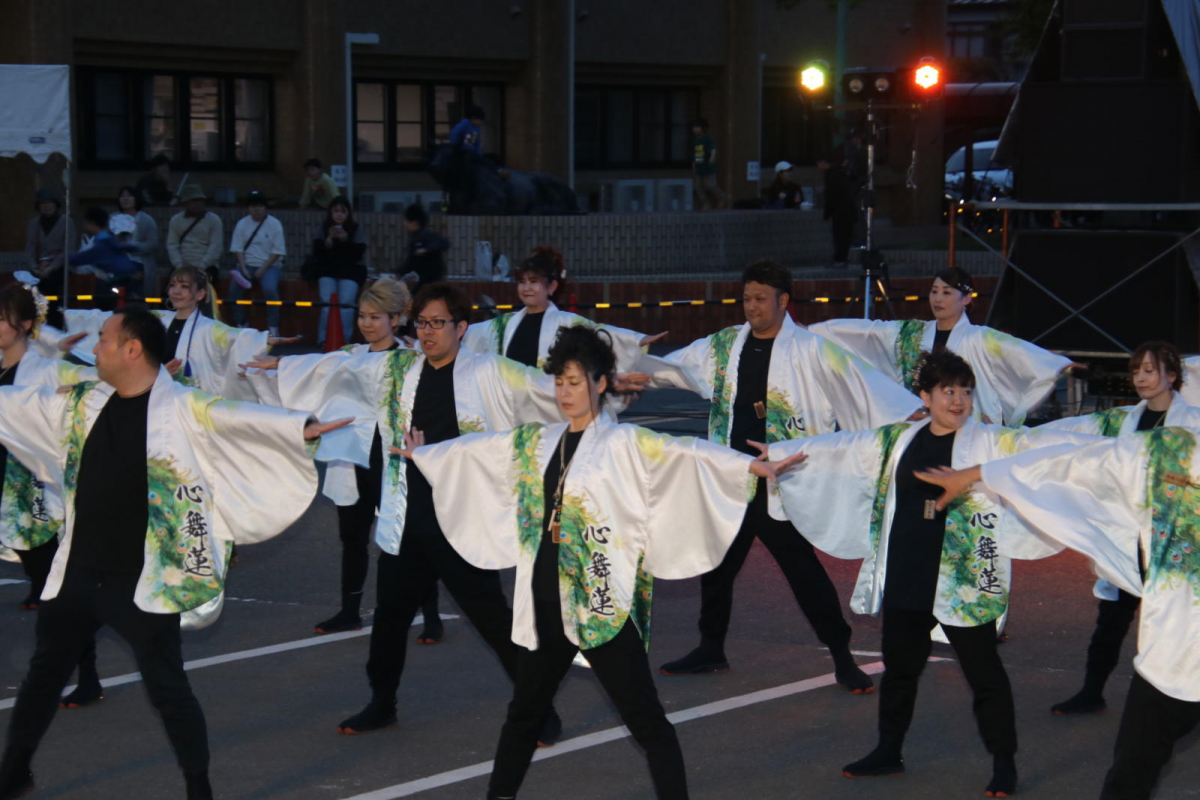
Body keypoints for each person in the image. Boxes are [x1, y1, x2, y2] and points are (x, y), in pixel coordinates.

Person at [402, 325, 805, 800]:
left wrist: (751, 466)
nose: (566, 392)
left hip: (599, 603)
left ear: (599, 384)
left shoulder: (624, 445)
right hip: (544, 603)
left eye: (576, 381)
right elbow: (480, 451)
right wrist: (426, 454)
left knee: (646, 719)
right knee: (523, 714)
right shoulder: (537, 441)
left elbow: (685, 453)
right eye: (560, 382)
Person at [238, 284, 648, 741]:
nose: (428, 332)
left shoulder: (487, 371)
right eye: (422, 323)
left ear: (461, 328)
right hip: (408, 520)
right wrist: (283, 367)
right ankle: (382, 702)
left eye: (438, 323)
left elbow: (541, 388)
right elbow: (344, 367)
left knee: (495, 623)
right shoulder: (397, 369)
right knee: (389, 621)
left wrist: (599, 390)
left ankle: (538, 710)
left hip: (462, 523)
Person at [0, 305, 347, 800]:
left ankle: (199, 788)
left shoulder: (184, 408)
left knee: (168, 688)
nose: (95, 347)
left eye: (104, 339)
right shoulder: (81, 403)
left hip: (143, 579)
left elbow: (237, 420)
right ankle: (13, 772)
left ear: (132, 349)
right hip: (78, 571)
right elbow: (17, 406)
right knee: (41, 677)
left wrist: (296, 429)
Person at [767, 349, 1097, 797]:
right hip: (907, 575)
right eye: (948, 391)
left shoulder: (989, 441)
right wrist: (782, 451)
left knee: (985, 675)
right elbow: (843, 447)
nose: (958, 400)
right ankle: (888, 752)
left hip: (962, 582)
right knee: (900, 671)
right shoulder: (900, 440)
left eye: (965, 391)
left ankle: (1003, 764)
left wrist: (1109, 450)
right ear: (926, 395)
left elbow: (1040, 449)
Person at [644, 260, 922, 688]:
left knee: (803, 573)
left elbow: (859, 382)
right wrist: (634, 370)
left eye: (759, 299)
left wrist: (908, 413)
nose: (750, 307)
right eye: (746, 298)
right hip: (733, 476)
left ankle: (842, 656)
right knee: (716, 566)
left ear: (783, 300)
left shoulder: (811, 349)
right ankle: (710, 648)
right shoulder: (725, 346)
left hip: (782, 480)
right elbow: (678, 367)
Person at [917, 423, 1200, 799]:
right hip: (1175, 655)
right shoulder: (1171, 450)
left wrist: (977, 474)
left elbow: (1076, 460)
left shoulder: (1173, 450)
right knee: (1132, 775)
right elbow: (1076, 460)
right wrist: (979, 473)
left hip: (1173, 656)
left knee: (1132, 775)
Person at [241, 277, 444, 641]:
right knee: (352, 537)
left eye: (375, 317)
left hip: (393, 458)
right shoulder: (351, 354)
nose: (366, 323)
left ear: (395, 319)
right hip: (352, 457)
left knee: (405, 537)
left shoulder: (412, 359)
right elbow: (318, 367)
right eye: (363, 315)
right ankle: (350, 611)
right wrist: (277, 367)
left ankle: (430, 615)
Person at [1036, 341, 1200, 716]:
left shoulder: (1193, 423)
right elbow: (1076, 437)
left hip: (1175, 541)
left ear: (1171, 376)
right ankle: (1092, 691)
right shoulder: (1125, 421)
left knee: (1180, 624)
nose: (1140, 378)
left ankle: (1179, 700)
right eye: (1136, 371)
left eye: (1149, 370)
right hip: (1131, 538)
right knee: (1111, 619)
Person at [810, 266, 1083, 427]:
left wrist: (1060, 365)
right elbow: (870, 333)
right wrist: (815, 332)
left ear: (966, 299)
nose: (938, 299)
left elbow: (1020, 353)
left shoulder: (979, 338)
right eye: (934, 291)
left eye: (947, 293)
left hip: (966, 424)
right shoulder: (912, 333)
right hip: (921, 425)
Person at [40, 266, 297, 401]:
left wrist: (265, 339)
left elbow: (235, 338)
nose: (176, 291)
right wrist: (66, 315)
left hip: (188, 398)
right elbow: (111, 321)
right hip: (151, 391)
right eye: (173, 285)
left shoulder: (210, 329)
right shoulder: (157, 318)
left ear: (199, 294)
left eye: (184, 287)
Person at [462, 246, 665, 371]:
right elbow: (474, 333)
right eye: (522, 282)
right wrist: (451, 330)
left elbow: (600, 333)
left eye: (534, 281)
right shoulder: (506, 323)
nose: (526, 288)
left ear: (552, 286)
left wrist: (636, 340)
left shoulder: (567, 322)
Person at [227, 191, 287, 335]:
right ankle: (241, 322)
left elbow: (278, 251)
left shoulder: (275, 224)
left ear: (265, 207)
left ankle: (273, 326)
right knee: (234, 289)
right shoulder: (242, 224)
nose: (257, 209)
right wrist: (243, 267)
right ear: (248, 208)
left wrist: (263, 268)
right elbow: (237, 249)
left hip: (270, 266)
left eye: (260, 206)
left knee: (270, 289)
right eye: (253, 206)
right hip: (246, 265)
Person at [313, 196, 367, 347]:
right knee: (326, 305)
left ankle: (344, 340)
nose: (339, 215)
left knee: (346, 304)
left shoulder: (356, 229)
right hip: (327, 271)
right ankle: (323, 339)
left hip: (350, 272)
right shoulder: (323, 229)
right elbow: (318, 254)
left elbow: (357, 254)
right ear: (330, 212)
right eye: (335, 211)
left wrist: (345, 240)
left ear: (348, 213)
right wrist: (329, 241)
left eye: (343, 211)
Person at [69, 207, 139, 309]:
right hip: (117, 279)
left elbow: (86, 257)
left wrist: (66, 258)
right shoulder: (106, 238)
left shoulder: (102, 241)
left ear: (91, 223)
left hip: (115, 281)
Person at [166, 185, 225, 288]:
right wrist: (179, 265)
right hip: (182, 265)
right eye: (193, 201)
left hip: (207, 266)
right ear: (186, 203)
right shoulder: (176, 220)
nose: (197, 204)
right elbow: (172, 245)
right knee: (169, 291)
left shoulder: (214, 220)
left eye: (199, 200)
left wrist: (202, 265)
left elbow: (216, 247)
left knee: (205, 288)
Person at [114, 186, 160, 299]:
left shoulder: (146, 220)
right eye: (122, 196)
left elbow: (153, 244)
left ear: (136, 199)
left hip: (141, 263)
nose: (125, 199)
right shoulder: (114, 219)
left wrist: (133, 247)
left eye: (129, 195)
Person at [24, 188, 76, 286]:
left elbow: (69, 249)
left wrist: (51, 268)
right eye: (42, 203)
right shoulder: (34, 223)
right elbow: (30, 248)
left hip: (60, 266)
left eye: (49, 203)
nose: (46, 206)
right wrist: (34, 267)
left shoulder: (67, 222)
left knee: (55, 283)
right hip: (39, 266)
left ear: (56, 204)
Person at [817, 153, 857, 267]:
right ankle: (841, 258)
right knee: (844, 236)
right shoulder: (840, 172)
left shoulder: (831, 174)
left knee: (840, 236)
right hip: (847, 210)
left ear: (823, 163)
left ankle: (840, 259)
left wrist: (827, 212)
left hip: (841, 211)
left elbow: (831, 195)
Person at [398, 204, 449, 292]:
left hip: (433, 282)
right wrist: (399, 273)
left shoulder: (427, 234)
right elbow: (411, 262)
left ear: (414, 222)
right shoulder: (415, 238)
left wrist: (426, 249)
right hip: (426, 281)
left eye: (406, 221)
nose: (404, 224)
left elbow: (444, 243)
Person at [690, 118, 723, 211]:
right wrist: (694, 166)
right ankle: (706, 203)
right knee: (698, 186)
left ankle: (721, 196)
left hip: (708, 167)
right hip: (699, 167)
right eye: (694, 127)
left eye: (697, 127)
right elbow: (694, 155)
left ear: (703, 129)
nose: (695, 129)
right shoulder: (695, 141)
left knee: (710, 185)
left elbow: (713, 149)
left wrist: (712, 157)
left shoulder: (707, 138)